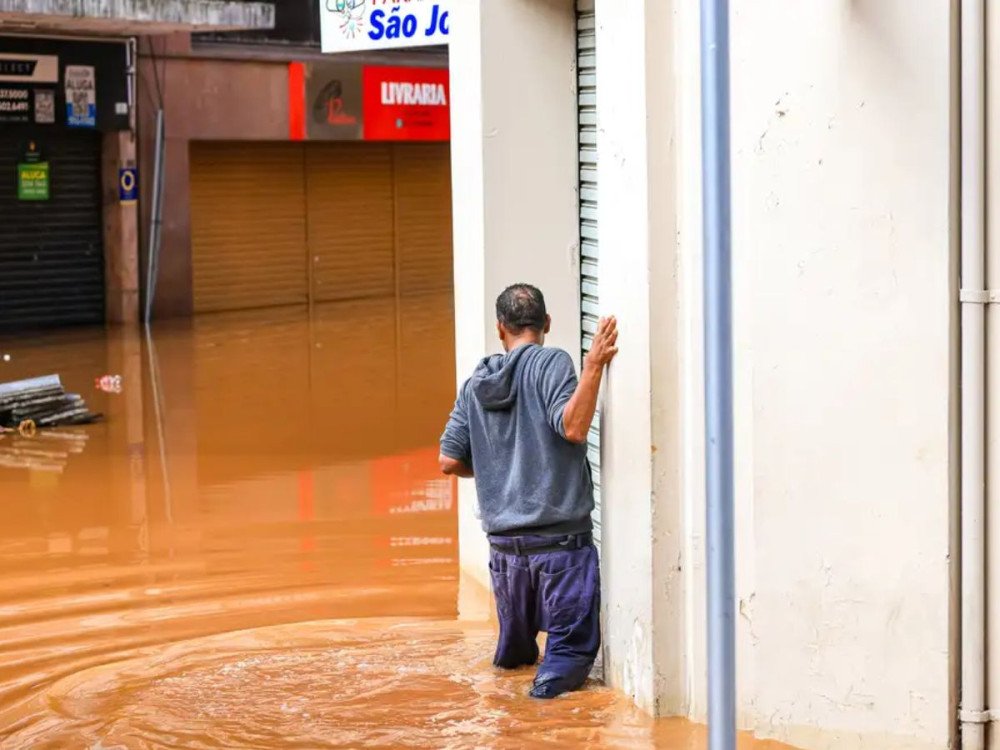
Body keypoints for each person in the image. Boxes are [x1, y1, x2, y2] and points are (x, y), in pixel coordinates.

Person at [438, 283, 619, 699]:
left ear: (500, 329)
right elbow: (573, 428)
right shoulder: (552, 363)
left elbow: (448, 461)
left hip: (505, 555)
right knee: (563, 669)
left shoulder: (475, 385)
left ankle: (508, 729)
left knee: (514, 663)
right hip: (561, 549)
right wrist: (592, 367)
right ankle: (536, 730)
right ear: (547, 324)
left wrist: (493, 471)